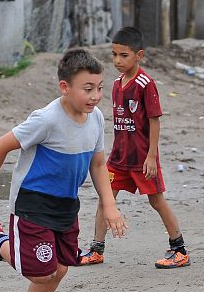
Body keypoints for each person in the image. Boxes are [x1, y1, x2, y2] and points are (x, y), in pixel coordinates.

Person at [0, 49, 127, 292]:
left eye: (100, 87)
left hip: (66, 206)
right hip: (32, 205)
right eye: (87, 89)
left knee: (60, 269)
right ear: (65, 87)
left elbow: (98, 164)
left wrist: (110, 205)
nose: (96, 95)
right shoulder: (47, 119)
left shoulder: (96, 118)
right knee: (42, 272)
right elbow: (2, 144)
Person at [79, 27, 189, 269]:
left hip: (142, 159)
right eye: (114, 54)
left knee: (157, 201)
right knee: (105, 199)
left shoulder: (145, 83)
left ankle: (179, 250)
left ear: (139, 55)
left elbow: (154, 121)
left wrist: (151, 157)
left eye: (124, 55)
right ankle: (96, 249)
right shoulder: (117, 84)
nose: (118, 60)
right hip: (119, 158)